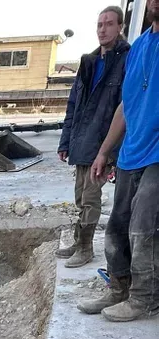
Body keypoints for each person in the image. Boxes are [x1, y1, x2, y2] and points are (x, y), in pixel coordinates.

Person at [78, 0, 159, 320]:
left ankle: (145, 296)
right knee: (117, 226)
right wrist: (104, 152)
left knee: (144, 227)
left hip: (156, 155)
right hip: (131, 153)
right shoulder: (140, 46)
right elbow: (126, 105)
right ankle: (119, 287)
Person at [57, 6, 130, 268]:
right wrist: (66, 141)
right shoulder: (89, 62)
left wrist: (111, 151)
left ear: (119, 27)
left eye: (109, 24)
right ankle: (79, 241)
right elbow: (74, 104)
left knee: (90, 196)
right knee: (80, 195)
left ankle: (86, 248)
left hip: (104, 141)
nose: (103, 29)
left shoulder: (126, 60)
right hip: (82, 141)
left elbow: (125, 108)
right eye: (99, 24)